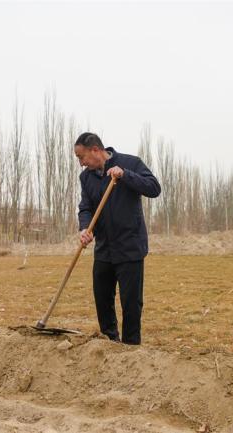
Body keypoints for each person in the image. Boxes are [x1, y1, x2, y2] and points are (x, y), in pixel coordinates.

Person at [74, 132, 161, 345]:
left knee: (131, 303)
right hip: (104, 249)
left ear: (95, 150)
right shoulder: (86, 178)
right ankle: (109, 343)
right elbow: (85, 207)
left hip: (130, 246)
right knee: (102, 300)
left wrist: (125, 175)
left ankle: (131, 349)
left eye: (81, 157)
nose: (81, 164)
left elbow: (154, 188)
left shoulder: (130, 163)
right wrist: (85, 228)